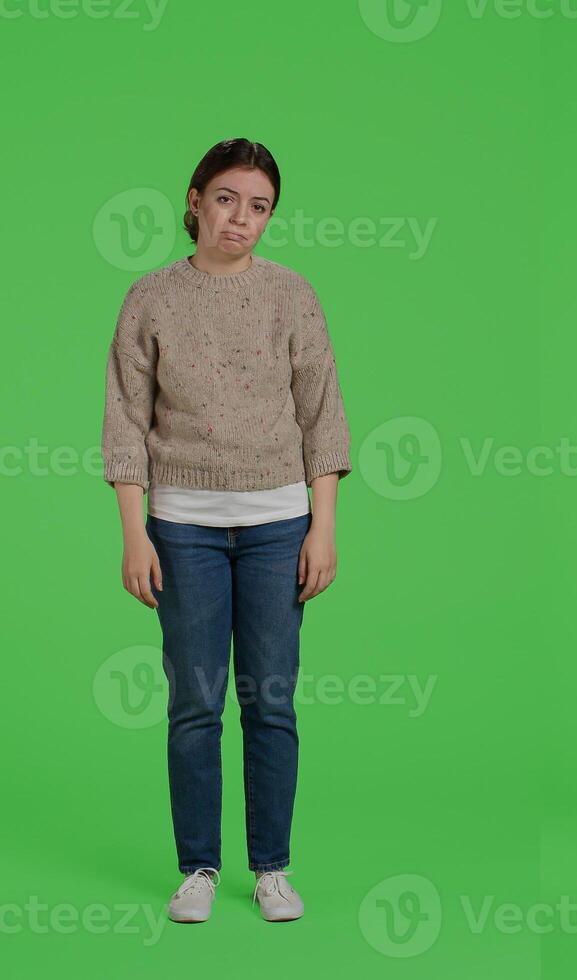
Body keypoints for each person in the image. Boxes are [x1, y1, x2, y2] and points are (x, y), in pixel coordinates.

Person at [101, 138, 352, 924]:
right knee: (194, 703)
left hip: (282, 523)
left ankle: (271, 868)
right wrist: (134, 533)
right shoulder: (150, 297)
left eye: (259, 206)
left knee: (271, 702)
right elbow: (125, 421)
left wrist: (324, 528)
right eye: (226, 199)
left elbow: (322, 414)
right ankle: (198, 869)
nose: (241, 219)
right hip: (183, 529)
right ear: (194, 199)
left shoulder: (292, 295)